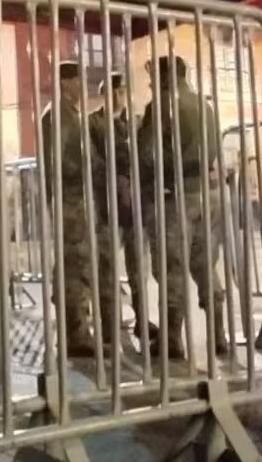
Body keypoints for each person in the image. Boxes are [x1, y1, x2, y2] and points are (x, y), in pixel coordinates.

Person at [138, 56, 228, 360]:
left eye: (154, 77)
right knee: (205, 265)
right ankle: (219, 334)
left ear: (165, 77)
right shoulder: (205, 105)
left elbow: (145, 153)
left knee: (171, 268)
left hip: (176, 196)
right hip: (208, 194)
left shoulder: (160, 107)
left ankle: (172, 339)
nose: (151, 83)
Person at [41, 61, 114, 357]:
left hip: (78, 199)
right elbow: (64, 162)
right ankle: (76, 334)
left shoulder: (69, 114)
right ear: (65, 83)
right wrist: (93, 168)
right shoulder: (58, 117)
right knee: (75, 266)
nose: (83, 87)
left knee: (76, 265)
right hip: (71, 201)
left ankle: (77, 330)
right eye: (78, 81)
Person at [90, 72, 150, 345]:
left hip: (135, 206)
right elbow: (94, 162)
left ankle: (142, 320)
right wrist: (120, 169)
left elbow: (146, 157)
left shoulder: (137, 122)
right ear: (104, 95)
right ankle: (109, 324)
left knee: (139, 269)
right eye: (112, 91)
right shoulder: (94, 124)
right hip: (107, 205)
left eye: (121, 91)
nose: (117, 96)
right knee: (107, 269)